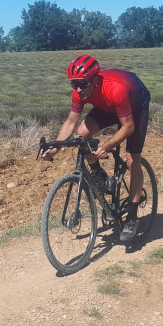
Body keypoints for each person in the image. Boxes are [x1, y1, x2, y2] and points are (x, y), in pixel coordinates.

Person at [41, 55, 151, 242]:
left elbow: (128, 126)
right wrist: (55, 148)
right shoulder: (79, 92)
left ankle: (132, 216)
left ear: (94, 80)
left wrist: (107, 146)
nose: (78, 88)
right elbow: (70, 122)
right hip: (107, 107)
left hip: (135, 105)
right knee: (82, 135)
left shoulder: (115, 88)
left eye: (83, 83)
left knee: (133, 160)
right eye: (73, 84)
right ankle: (99, 175)